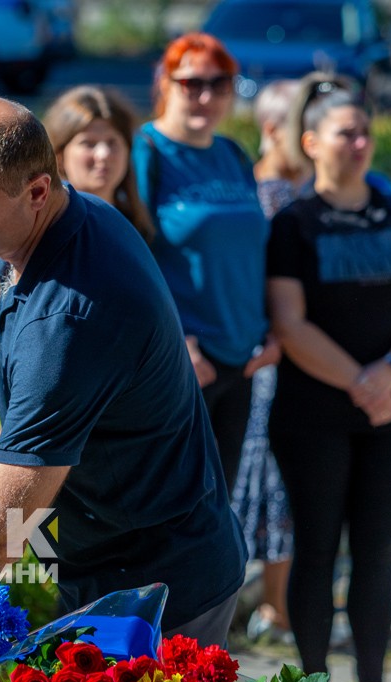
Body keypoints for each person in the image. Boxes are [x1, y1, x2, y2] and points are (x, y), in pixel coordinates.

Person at [0, 93, 247, 647]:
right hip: (120, 560)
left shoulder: (66, 317)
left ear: (37, 191)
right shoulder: (67, 217)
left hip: (159, 591)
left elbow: (1, 538)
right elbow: (53, 407)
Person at [266, 83, 391, 682]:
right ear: (312, 143)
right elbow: (289, 322)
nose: (360, 142)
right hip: (314, 414)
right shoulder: (295, 223)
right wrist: (360, 381)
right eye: (346, 132)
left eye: (365, 131)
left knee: (376, 550)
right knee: (316, 548)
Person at [134, 33, 278, 490]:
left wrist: (271, 331)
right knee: (175, 504)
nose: (205, 95)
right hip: (183, 361)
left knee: (220, 507)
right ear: (165, 82)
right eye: (191, 82)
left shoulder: (232, 154)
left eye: (220, 84)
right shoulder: (147, 151)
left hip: (243, 358)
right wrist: (179, 342)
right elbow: (129, 259)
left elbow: (254, 250)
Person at [236, 78, 310, 644]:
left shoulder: (302, 189)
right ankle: (263, 609)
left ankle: (281, 608)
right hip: (268, 357)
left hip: (302, 359)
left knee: (285, 480)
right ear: (270, 129)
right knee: (262, 478)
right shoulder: (260, 195)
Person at [42, 84, 154, 241]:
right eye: (88, 143)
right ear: (59, 156)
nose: (103, 154)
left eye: (112, 142)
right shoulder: (43, 231)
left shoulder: (137, 225)